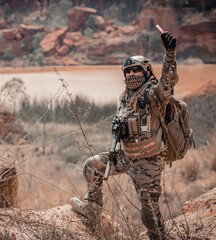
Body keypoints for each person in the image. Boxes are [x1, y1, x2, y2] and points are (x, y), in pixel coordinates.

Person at [70, 31, 178, 240]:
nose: (131, 74)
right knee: (91, 166)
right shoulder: (125, 97)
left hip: (148, 162)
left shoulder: (154, 93)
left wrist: (170, 53)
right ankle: (93, 209)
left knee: (149, 212)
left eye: (136, 70)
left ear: (146, 71)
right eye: (127, 71)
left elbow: (169, 80)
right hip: (126, 157)